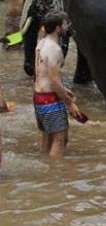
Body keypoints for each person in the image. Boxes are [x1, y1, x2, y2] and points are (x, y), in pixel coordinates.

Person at [33, 12, 80, 159]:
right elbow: (53, 80)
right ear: (58, 28)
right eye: (65, 24)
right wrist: (69, 103)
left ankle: (43, 163)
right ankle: (53, 172)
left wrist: (64, 90)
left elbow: (40, 74)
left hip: (39, 96)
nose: (67, 27)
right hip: (50, 99)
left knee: (46, 135)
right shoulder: (55, 49)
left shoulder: (40, 44)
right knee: (60, 139)